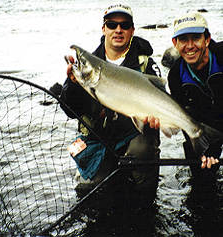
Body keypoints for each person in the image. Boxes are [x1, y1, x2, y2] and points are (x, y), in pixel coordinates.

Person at [60, 3, 162, 206]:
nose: (118, 30)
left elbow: (162, 98)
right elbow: (69, 110)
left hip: (133, 137)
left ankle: (144, 201)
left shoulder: (145, 64)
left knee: (142, 161)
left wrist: (156, 121)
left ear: (132, 30)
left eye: (124, 25)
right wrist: (72, 86)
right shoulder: (89, 64)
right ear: (104, 28)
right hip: (99, 138)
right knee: (90, 193)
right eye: (112, 24)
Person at [166, 12, 223, 178]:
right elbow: (184, 117)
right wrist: (203, 150)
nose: (190, 46)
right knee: (202, 177)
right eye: (183, 40)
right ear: (175, 43)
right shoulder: (176, 75)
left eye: (196, 38)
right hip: (205, 126)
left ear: (207, 39)